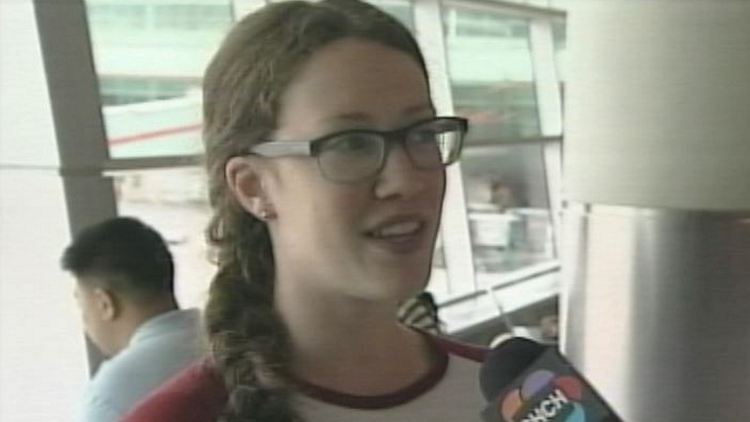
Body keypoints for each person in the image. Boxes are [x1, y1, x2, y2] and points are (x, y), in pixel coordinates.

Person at [122, 1, 489, 421]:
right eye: (351, 144)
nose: (405, 181)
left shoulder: (521, 396)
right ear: (253, 186)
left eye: (422, 134)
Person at [61, 217, 205, 422]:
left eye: (82, 307)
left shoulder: (111, 395)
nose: (85, 324)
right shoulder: (234, 341)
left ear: (105, 304)